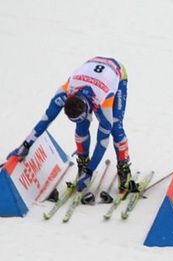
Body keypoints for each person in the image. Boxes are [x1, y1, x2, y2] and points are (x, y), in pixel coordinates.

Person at [6, 56, 134, 194]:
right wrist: (25, 145)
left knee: (115, 128)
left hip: (115, 74)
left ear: (89, 109)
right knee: (81, 127)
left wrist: (90, 172)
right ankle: (83, 161)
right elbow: (46, 118)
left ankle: (124, 167)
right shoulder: (65, 92)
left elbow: (102, 141)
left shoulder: (104, 102)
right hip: (90, 71)